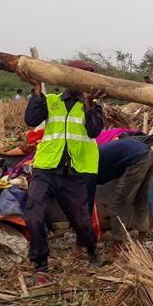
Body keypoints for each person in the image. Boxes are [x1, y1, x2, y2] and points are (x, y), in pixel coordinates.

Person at [23, 59, 104, 271]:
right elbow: (31, 119)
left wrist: (89, 104)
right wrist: (37, 90)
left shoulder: (95, 107)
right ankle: (40, 263)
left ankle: (93, 252)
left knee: (81, 221)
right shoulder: (51, 101)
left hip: (75, 173)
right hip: (46, 169)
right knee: (33, 216)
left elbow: (94, 131)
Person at [91, 138, 153, 254]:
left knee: (119, 205)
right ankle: (141, 241)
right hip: (149, 153)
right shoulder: (97, 155)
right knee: (141, 199)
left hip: (137, 159)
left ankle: (116, 251)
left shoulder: (88, 167)